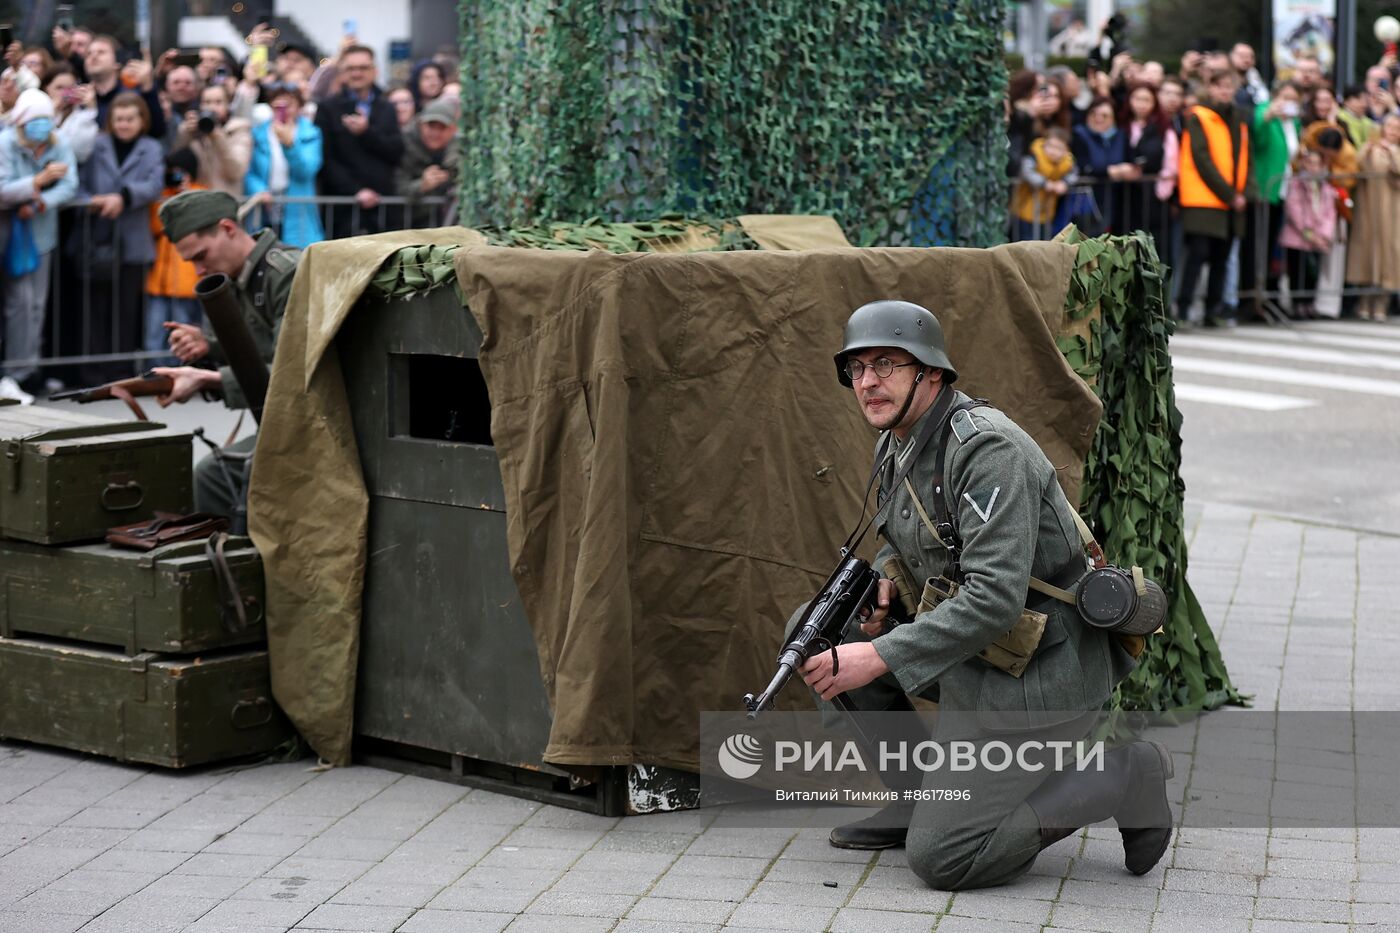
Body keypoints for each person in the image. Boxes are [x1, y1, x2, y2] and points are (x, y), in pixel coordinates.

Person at [793, 300, 1162, 890]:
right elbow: (911, 542)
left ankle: (1121, 774)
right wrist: (886, 585)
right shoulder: (900, 441)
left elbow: (993, 598)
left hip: (1040, 670)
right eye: (857, 368)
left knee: (943, 858)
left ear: (931, 373)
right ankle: (917, 799)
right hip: (980, 653)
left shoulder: (986, 451)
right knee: (817, 631)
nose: (868, 382)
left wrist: (882, 655)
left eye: (885, 364)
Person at [151, 189, 303, 520]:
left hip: (313, 422)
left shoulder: (285, 274)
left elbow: (293, 370)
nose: (199, 269)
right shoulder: (238, 279)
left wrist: (207, 378)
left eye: (201, 256)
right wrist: (210, 345)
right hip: (286, 418)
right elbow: (261, 346)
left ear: (228, 228)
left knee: (213, 476)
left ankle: (234, 567)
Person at [67, 92, 163, 384]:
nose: (124, 124)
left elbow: (154, 185)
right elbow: (77, 182)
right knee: (95, 308)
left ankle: (120, 370)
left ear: (141, 120)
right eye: (119, 119)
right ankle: (93, 371)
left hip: (132, 240)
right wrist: (92, 200)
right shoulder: (97, 146)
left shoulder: (151, 148)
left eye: (130, 119)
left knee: (125, 310)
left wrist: (124, 197)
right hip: (97, 239)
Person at [0, 89, 78, 402]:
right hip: (8, 236)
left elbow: (70, 184)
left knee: (35, 306)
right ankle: (13, 373)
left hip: (41, 236)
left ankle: (23, 374)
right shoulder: (5, 144)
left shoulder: (59, 144)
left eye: (46, 120)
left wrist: (41, 201)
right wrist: (37, 182)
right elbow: (3, 190)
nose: (41, 126)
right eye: (35, 120)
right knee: (18, 304)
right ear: (21, 121)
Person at [1175, 69, 1254, 327]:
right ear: (1210, 88)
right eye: (1220, 86)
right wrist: (1230, 194)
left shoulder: (1238, 118)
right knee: (1198, 255)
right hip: (1205, 199)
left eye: (1229, 87)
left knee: (1221, 257)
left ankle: (1213, 309)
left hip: (1230, 200)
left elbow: (1245, 158)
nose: (1225, 91)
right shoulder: (1199, 116)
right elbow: (1202, 159)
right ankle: (1184, 308)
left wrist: (1243, 192)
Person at [314, 45, 404, 238]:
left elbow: (396, 151)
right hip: (343, 209)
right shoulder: (328, 108)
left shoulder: (387, 107)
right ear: (342, 73)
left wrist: (366, 133)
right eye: (351, 68)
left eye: (363, 68)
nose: (357, 74)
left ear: (374, 71)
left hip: (382, 208)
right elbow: (326, 159)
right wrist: (356, 191)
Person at [145, 148, 205, 364]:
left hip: (185, 282)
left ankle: (184, 370)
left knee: (183, 331)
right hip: (160, 280)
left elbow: (197, 226)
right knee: (154, 331)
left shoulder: (200, 193)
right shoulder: (162, 197)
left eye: (180, 172)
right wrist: (168, 197)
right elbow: (156, 226)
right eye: (171, 172)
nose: (175, 176)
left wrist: (186, 194)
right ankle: (155, 373)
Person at [245, 82, 324, 248]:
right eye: (277, 105)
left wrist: (289, 145)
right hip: (264, 210)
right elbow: (249, 171)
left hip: (297, 212)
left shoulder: (310, 133)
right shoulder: (258, 133)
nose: (283, 109)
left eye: (288, 104)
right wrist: (259, 191)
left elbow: (307, 171)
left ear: (299, 106)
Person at [1346, 114, 1400, 321]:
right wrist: (1367, 150)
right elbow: (1357, 168)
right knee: (1368, 251)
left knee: (1389, 252)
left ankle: (1382, 303)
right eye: (1389, 127)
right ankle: (1364, 301)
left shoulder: (1395, 150)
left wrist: (1392, 153)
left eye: (1396, 128)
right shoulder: (1373, 148)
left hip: (1392, 210)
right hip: (1369, 208)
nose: (1392, 131)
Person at [1278, 148, 1337, 319]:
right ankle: (1297, 304)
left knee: (1313, 273)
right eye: (1310, 163)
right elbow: (1294, 208)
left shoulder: (1325, 187)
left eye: (1317, 164)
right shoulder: (1296, 184)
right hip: (1298, 237)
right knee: (1298, 272)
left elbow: (1329, 213)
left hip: (1319, 238)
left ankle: (1310, 303)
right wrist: (1309, 232)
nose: (1313, 167)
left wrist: (1323, 234)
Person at [172, 82, 251, 197]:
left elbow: (236, 171)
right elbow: (175, 157)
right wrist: (186, 132)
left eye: (218, 102)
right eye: (207, 102)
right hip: (199, 202)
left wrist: (216, 135)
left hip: (226, 204)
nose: (212, 108)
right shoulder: (195, 131)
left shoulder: (239, 131)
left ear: (228, 105)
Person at [395, 97, 459, 228]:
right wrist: (422, 185)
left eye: (442, 127)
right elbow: (396, 188)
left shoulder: (459, 150)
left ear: (452, 130)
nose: (435, 133)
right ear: (420, 124)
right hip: (407, 225)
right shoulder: (403, 146)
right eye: (431, 126)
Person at [1071, 97, 1132, 234]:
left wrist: (1130, 169)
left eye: (1105, 115)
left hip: (1116, 200)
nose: (1099, 118)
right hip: (1088, 202)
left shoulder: (1121, 136)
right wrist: (1109, 171)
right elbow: (1082, 165)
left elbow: (1130, 159)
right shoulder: (1079, 134)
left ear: (1113, 118)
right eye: (1094, 114)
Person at [85, 36, 165, 140]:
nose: (93, 56)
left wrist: (148, 86)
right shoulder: (82, 99)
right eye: (89, 53)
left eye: (101, 52)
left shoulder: (132, 95)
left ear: (117, 63)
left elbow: (157, 131)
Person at [1011, 126, 1077, 240]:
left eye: (1059, 148)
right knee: (1025, 242)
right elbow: (1026, 171)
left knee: (1043, 242)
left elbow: (1074, 173)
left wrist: (1064, 183)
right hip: (1025, 210)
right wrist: (1044, 183)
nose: (1053, 151)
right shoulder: (1035, 156)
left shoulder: (1067, 162)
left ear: (1066, 150)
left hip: (1047, 212)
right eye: (1050, 146)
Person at [41, 65, 97, 164]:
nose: (65, 94)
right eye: (59, 88)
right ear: (47, 88)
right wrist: (51, 113)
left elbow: (81, 153)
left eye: (70, 88)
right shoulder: (36, 112)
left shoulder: (83, 116)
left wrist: (90, 108)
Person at [1230, 43, 1269, 111]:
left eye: (1250, 57)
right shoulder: (1224, 79)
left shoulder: (1255, 78)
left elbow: (1264, 101)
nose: (1247, 60)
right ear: (1231, 57)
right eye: (1242, 56)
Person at [1338, 84, 1377, 149]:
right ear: (1346, 101)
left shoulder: (1369, 122)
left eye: (1366, 100)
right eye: (1358, 99)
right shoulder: (1339, 118)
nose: (1363, 103)